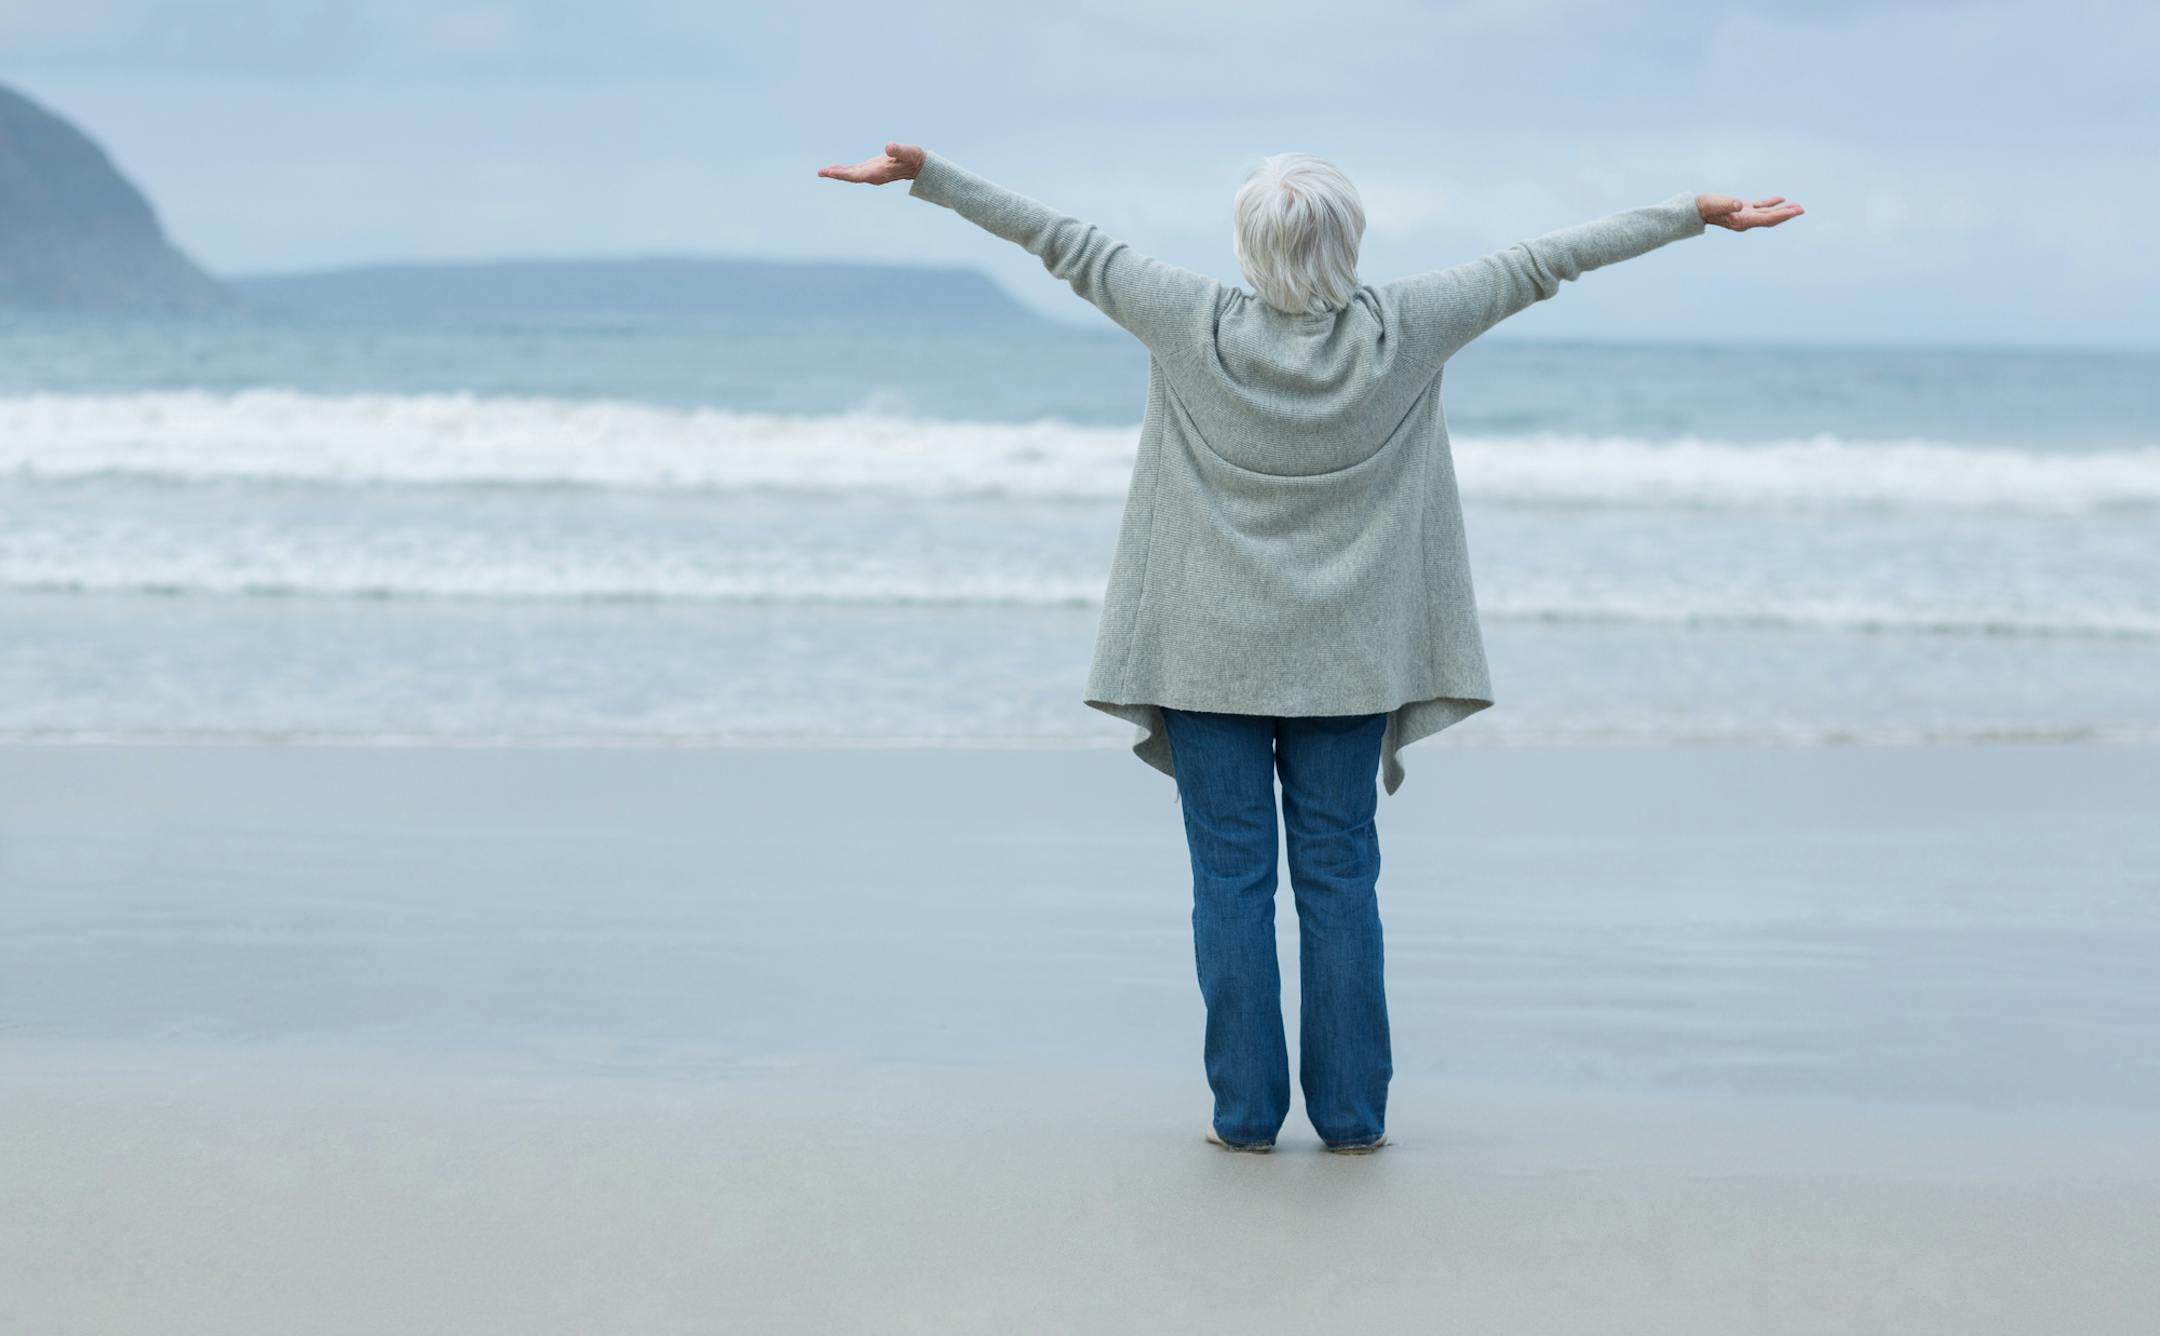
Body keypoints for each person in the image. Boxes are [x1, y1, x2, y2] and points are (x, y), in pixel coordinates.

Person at [818, 142, 1801, 1155]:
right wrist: (1691, 213)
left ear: (1250, 243)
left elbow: (1061, 242)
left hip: (1206, 659)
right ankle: (1350, 1117)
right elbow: (1544, 261)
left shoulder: (1186, 318)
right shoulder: (1406, 329)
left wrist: (930, 176)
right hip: (1348, 662)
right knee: (1338, 881)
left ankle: (1244, 1117)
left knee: (1231, 883)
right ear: (1351, 241)